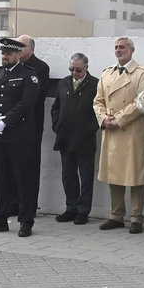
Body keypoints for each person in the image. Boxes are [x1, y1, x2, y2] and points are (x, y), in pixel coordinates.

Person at [0, 38, 41, 236]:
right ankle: (0, 219)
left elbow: (27, 103)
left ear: (18, 55)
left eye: (8, 53)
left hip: (19, 136)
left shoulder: (28, 75)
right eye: (3, 53)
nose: (4, 56)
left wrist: (6, 120)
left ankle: (26, 221)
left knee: (23, 180)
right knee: (0, 178)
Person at [94, 37, 144, 234]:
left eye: (122, 47)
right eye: (116, 47)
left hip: (131, 130)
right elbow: (98, 101)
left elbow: (142, 102)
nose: (118, 50)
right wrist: (103, 119)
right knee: (115, 174)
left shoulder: (142, 73)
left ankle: (137, 217)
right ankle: (116, 216)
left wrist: (118, 119)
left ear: (132, 50)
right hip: (111, 129)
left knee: (136, 174)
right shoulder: (107, 73)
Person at [51, 52, 99, 225]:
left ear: (86, 68)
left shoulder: (94, 84)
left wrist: (90, 129)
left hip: (85, 138)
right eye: (72, 69)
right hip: (65, 136)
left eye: (78, 70)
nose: (74, 73)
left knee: (85, 176)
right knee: (68, 175)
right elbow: (56, 107)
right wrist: (57, 125)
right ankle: (71, 207)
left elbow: (99, 110)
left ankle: (83, 210)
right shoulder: (63, 83)